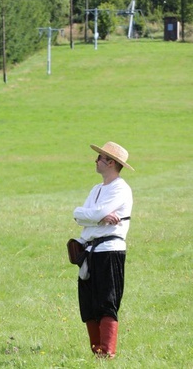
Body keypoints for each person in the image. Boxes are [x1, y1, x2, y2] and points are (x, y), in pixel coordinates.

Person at [72, 141, 134, 359]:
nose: (96, 160)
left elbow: (97, 211)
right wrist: (98, 217)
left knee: (107, 301)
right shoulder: (96, 189)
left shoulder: (121, 188)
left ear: (110, 162)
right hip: (90, 252)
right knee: (88, 302)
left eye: (99, 157)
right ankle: (96, 351)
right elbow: (78, 214)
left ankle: (107, 352)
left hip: (109, 250)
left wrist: (94, 215)